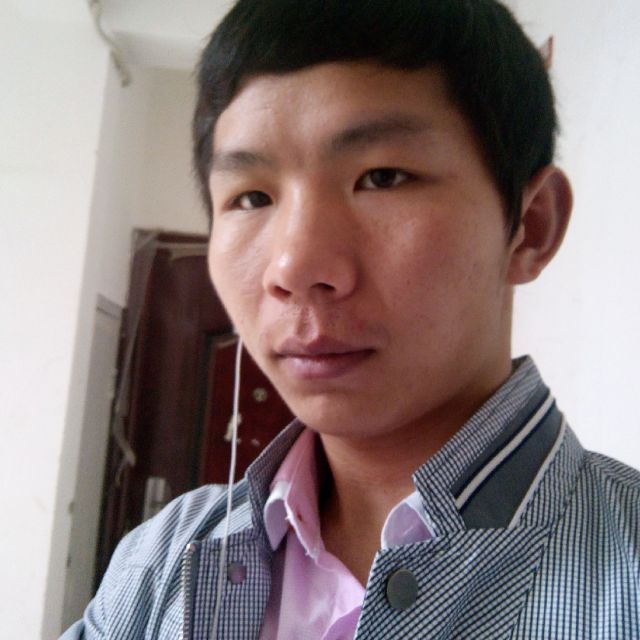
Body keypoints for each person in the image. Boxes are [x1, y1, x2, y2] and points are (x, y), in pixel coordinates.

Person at [62, 0, 640, 638]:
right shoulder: (160, 561)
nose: (293, 266)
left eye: (382, 177)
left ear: (530, 227)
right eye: (251, 196)